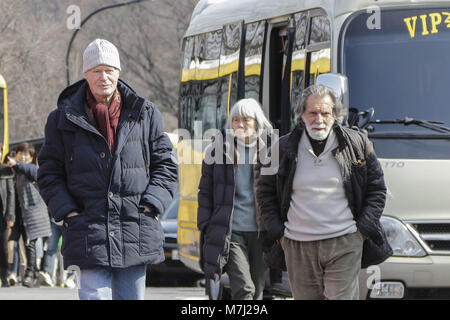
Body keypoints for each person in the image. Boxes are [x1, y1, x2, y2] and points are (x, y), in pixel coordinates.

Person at [37, 39, 178, 300]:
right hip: (86, 228)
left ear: (119, 72)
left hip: (135, 227)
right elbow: (48, 172)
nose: (104, 76)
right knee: (94, 297)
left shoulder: (145, 113)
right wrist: (68, 211)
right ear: (85, 75)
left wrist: (151, 205)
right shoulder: (61, 118)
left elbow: (166, 165)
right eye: (96, 70)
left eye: (109, 69)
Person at [256, 84, 393, 300]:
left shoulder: (357, 144)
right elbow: (264, 193)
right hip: (297, 245)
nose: (319, 119)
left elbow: (377, 189)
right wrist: (279, 234)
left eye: (325, 113)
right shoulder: (280, 149)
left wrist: (362, 231)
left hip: (345, 241)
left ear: (335, 115)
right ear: (301, 115)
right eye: (312, 113)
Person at [197, 98, 272, 300]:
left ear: (257, 122)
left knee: (257, 290)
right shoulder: (217, 150)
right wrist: (206, 225)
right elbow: (204, 192)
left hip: (261, 231)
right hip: (231, 231)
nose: (240, 125)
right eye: (235, 120)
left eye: (246, 120)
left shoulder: (271, 150)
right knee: (244, 289)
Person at [6, 143, 52, 288]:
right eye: (21, 154)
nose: (24, 157)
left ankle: (30, 274)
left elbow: (28, 169)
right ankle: (32, 273)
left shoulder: (32, 169)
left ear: (32, 157)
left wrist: (16, 163)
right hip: (21, 213)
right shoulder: (16, 171)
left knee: (30, 243)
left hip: (33, 214)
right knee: (22, 243)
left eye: (27, 155)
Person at [0, 156, 15, 287]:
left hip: (3, 214)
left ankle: (4, 275)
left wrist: (10, 216)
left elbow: (11, 194)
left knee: (3, 246)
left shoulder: (5, 170)